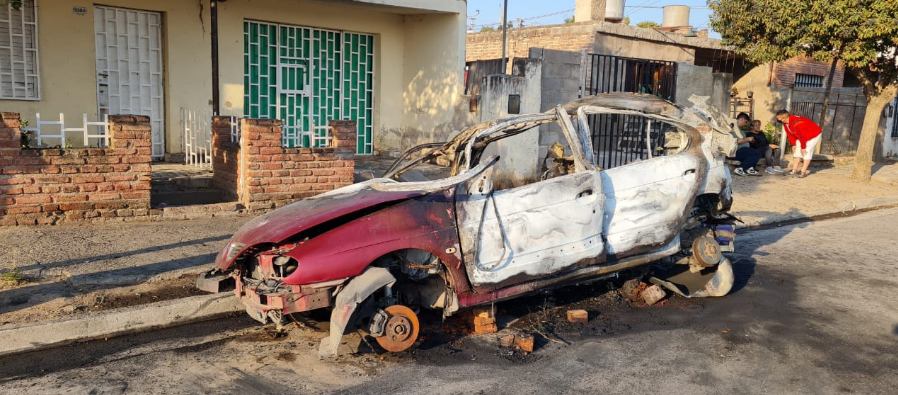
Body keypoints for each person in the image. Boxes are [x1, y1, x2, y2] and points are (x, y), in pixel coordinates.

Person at [775, 110, 822, 178]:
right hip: (802, 135)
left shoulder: (796, 122)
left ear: (783, 118)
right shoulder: (786, 123)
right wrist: (793, 144)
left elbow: (801, 135)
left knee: (806, 151)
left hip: (813, 134)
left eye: (778, 118)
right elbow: (790, 134)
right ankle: (794, 170)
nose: (777, 119)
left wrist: (803, 147)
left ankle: (803, 172)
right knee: (797, 151)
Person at [730, 112, 762, 177]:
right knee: (756, 154)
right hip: (735, 151)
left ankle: (750, 169)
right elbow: (736, 141)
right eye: (745, 122)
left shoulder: (740, 131)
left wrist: (750, 140)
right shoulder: (733, 129)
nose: (745, 124)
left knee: (755, 153)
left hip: (742, 151)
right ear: (742, 119)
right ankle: (740, 168)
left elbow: (744, 140)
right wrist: (747, 139)